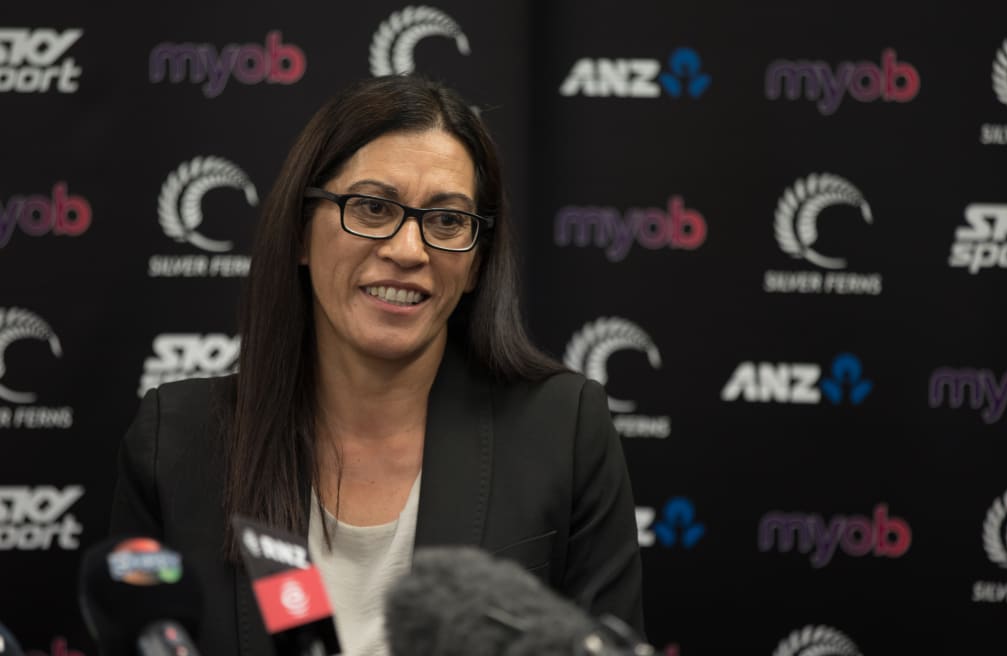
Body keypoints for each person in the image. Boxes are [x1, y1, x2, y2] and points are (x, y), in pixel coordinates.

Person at [109, 74, 644, 656]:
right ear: (300, 233)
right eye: (371, 207)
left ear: (475, 264)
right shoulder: (176, 440)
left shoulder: (563, 430)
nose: (408, 250)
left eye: (447, 221)